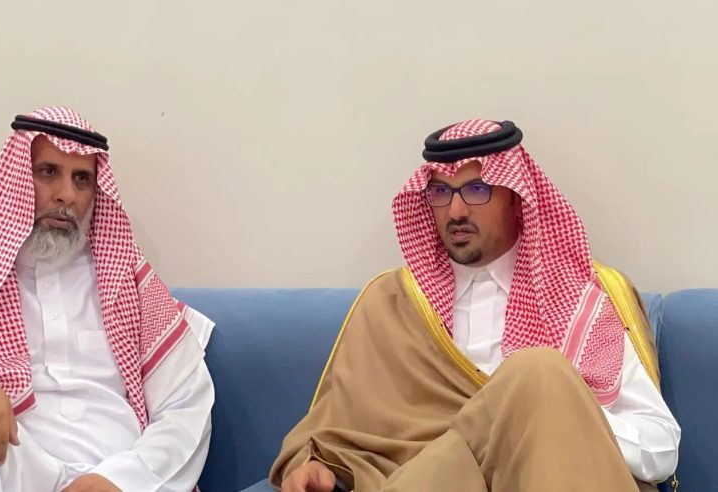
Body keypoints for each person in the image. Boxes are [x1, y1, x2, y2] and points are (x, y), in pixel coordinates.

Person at [270, 119, 680, 492]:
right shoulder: (390, 304)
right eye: (440, 192)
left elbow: (659, 447)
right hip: (425, 481)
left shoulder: (580, 300)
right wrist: (311, 465)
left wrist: (547, 416)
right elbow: (334, 431)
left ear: (515, 198)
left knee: (537, 374)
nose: (456, 210)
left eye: (477, 189)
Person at [0, 106, 214, 492]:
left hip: (113, 474)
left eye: (82, 179)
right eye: (48, 172)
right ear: (17, 177)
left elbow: (185, 404)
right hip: (13, 468)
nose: (66, 195)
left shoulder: (126, 278)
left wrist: (121, 479)